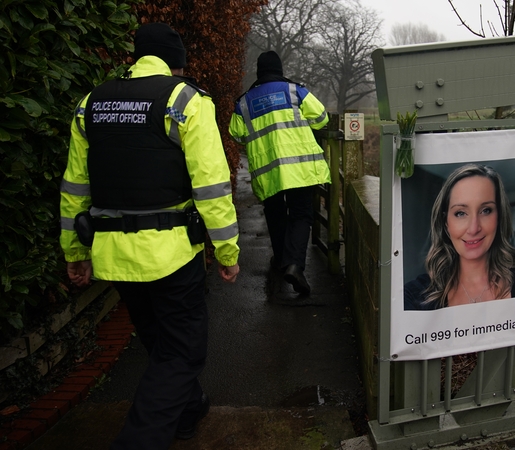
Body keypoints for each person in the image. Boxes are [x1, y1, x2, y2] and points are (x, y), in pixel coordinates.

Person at [59, 23, 240, 449]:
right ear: (177, 63)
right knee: (182, 351)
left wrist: (74, 250)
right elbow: (211, 187)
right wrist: (227, 250)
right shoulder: (185, 100)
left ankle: (189, 410)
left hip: (112, 254)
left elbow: (74, 188)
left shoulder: (91, 103)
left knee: (161, 343)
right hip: (172, 255)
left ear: (135, 57)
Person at [229, 51, 330, 295]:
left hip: (268, 172)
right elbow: (321, 118)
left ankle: (282, 260)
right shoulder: (295, 92)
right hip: (299, 167)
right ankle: (294, 264)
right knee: (301, 213)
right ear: (280, 69)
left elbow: (236, 133)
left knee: (274, 213)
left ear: (259, 71)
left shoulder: (244, 102)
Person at [404, 164, 515, 310]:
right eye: (460, 213)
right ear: (446, 222)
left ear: (499, 217)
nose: (473, 228)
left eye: (486, 210)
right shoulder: (413, 296)